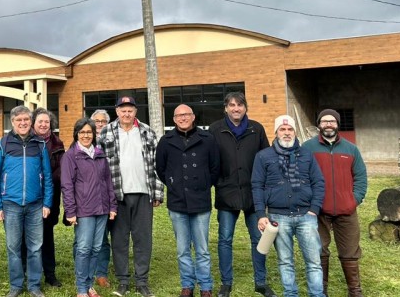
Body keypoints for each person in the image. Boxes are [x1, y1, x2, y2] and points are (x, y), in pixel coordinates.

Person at [209, 93, 277, 297]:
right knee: (225, 239)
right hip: (226, 191)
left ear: (245, 108)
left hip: (253, 193)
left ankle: (261, 282)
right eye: (231, 105)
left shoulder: (256, 129)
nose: (236, 109)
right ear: (225, 108)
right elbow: (210, 159)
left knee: (259, 238)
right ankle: (226, 283)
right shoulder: (215, 129)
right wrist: (217, 181)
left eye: (239, 105)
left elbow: (267, 158)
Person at [252, 115, 325, 297]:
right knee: (285, 261)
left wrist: (314, 209)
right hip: (278, 216)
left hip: (306, 216)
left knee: (314, 262)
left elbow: (318, 182)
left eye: (290, 129)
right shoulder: (263, 156)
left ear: (294, 131)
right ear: (276, 132)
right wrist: (261, 214)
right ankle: (290, 294)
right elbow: (257, 185)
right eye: (282, 129)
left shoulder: (306, 155)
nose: (286, 133)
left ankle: (317, 294)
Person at [97, 96, 163, 297]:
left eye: (130, 110)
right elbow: (99, 166)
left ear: (135, 112)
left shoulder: (147, 131)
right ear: (117, 111)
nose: (126, 114)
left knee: (143, 239)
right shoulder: (106, 132)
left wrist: (158, 191)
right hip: (117, 195)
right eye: (123, 110)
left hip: (143, 193)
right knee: (119, 240)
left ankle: (142, 281)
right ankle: (123, 281)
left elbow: (156, 164)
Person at [156, 104, 220, 297]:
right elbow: (161, 168)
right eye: (178, 115)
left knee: (202, 249)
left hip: (200, 200)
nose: (183, 118)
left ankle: (206, 287)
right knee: (183, 249)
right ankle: (187, 285)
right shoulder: (165, 141)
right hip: (177, 202)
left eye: (186, 114)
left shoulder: (207, 139)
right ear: (174, 119)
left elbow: (215, 167)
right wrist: (173, 184)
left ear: (193, 117)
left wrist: (203, 183)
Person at [302, 109, 368, 297]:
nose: (328, 124)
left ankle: (354, 291)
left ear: (337, 124)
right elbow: (301, 177)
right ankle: (321, 290)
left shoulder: (350, 149)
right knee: (319, 250)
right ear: (319, 125)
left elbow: (361, 178)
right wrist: (311, 202)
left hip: (346, 210)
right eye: (324, 121)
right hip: (318, 210)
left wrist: (353, 200)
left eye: (332, 121)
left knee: (350, 251)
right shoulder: (308, 148)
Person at [0, 105, 53, 297]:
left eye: (26, 120)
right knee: (13, 247)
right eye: (19, 120)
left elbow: (48, 176)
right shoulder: (2, 144)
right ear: (13, 122)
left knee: (35, 247)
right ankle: (16, 285)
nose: (23, 123)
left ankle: (34, 285)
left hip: (35, 204)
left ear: (30, 122)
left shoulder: (40, 144)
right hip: (11, 204)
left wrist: (47, 203)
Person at [62, 118, 117, 297]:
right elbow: (67, 186)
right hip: (83, 211)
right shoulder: (71, 156)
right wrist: (70, 211)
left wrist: (112, 206)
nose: (86, 135)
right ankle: (81, 289)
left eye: (89, 132)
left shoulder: (100, 154)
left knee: (96, 248)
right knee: (84, 248)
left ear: (94, 134)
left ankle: (89, 285)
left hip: (102, 209)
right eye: (82, 132)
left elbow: (108, 182)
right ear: (76, 134)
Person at [21, 107, 64, 288]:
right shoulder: (25, 141)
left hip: (49, 196)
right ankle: (24, 271)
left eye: (47, 121)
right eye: (40, 121)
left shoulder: (57, 143)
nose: (44, 124)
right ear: (33, 123)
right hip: (28, 196)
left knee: (46, 235)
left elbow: (62, 170)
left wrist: (45, 181)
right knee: (25, 236)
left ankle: (50, 273)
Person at [90, 109, 113, 289]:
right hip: (92, 197)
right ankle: (88, 271)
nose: (99, 124)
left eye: (103, 121)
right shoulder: (85, 141)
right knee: (95, 238)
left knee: (106, 238)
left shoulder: (112, 140)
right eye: (96, 121)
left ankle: (101, 273)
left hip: (113, 194)